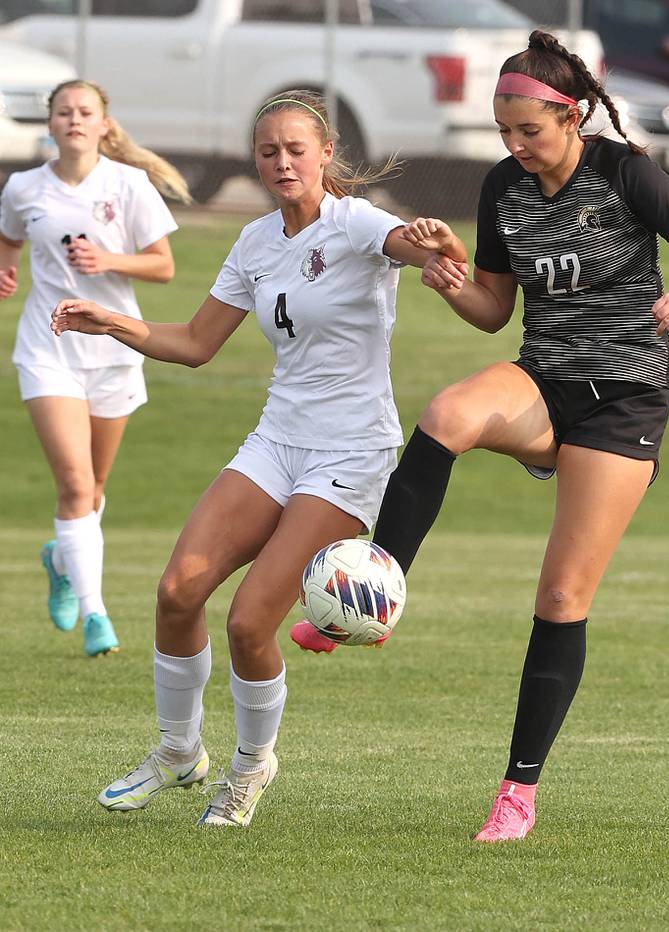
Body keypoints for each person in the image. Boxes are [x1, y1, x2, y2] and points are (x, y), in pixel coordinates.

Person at [291, 31, 669, 842]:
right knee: (447, 414)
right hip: (543, 380)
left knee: (563, 595)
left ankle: (517, 793)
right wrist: (454, 282)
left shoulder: (625, 174)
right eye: (504, 132)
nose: (514, 146)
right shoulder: (504, 187)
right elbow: (495, 310)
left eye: (528, 131)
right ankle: (374, 594)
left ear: (570, 117)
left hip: (624, 401)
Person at [50, 90, 467, 827]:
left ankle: (249, 769)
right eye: (268, 150)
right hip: (277, 439)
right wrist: (111, 320)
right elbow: (197, 343)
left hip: (350, 451)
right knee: (179, 590)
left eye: (295, 149)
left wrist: (435, 240)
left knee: (249, 622)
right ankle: (179, 751)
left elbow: (418, 247)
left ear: (326, 154)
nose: (281, 162)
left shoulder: (357, 223)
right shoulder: (254, 242)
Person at [0, 79, 189, 657]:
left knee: (95, 487)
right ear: (51, 124)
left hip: (113, 349)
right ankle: (96, 615)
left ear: (104, 124)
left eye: (86, 112)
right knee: (76, 485)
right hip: (47, 347)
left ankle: (61, 558)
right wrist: (5, 270)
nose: (75, 120)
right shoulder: (23, 187)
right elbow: (7, 240)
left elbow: (163, 267)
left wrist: (108, 259)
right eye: (64, 112)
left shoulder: (127, 184)